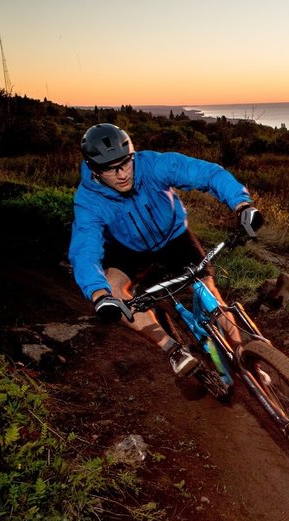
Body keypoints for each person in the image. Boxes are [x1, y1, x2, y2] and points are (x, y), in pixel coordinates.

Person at [68, 123, 263, 376]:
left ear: (132, 154)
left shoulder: (153, 164)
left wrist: (241, 205)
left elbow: (206, 174)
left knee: (208, 291)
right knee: (114, 290)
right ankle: (173, 350)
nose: (122, 174)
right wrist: (99, 295)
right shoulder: (88, 200)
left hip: (174, 236)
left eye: (125, 163)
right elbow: (84, 249)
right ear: (94, 170)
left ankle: (243, 355)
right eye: (110, 169)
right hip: (130, 248)